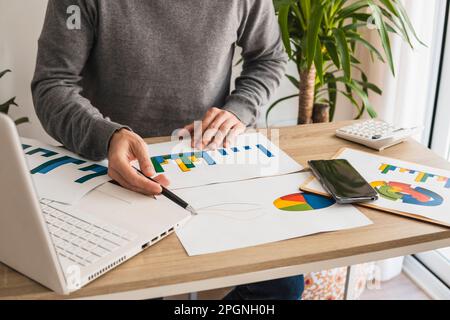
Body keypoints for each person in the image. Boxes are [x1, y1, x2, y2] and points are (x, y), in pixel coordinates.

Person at [32, 0, 304, 300]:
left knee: (282, 285)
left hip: (208, 161)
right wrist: (107, 137)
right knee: (141, 289)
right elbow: (52, 84)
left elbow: (269, 57)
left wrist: (239, 110)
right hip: (117, 171)